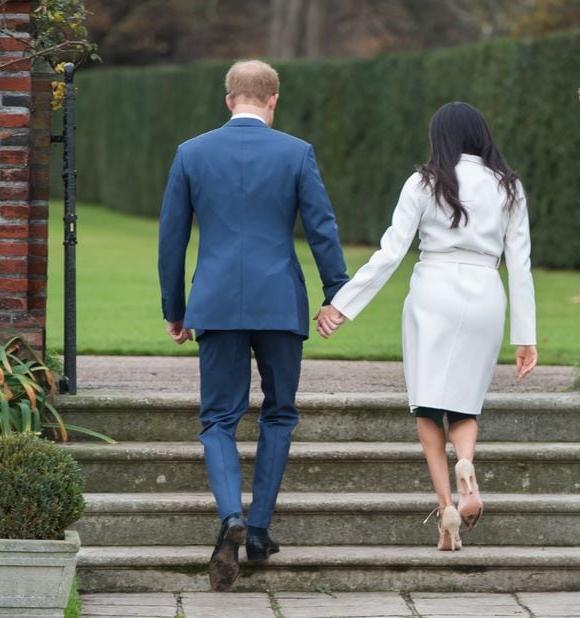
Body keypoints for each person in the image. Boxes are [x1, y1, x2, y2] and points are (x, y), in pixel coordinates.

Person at [158, 59, 349, 591]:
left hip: (215, 304)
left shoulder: (191, 153)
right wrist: (336, 293)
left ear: (228, 100)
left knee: (219, 419)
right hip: (280, 304)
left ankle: (230, 518)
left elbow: (172, 239)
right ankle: (259, 528)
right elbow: (322, 228)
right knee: (279, 414)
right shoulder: (296, 152)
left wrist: (175, 308)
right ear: (273, 100)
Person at [316, 101, 538, 551]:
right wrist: (526, 336)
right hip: (484, 292)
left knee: (427, 405)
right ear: (481, 135)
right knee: (465, 404)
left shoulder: (424, 181)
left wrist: (341, 305)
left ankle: (445, 507)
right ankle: (467, 467)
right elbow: (521, 265)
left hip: (433, 292)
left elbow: (390, 252)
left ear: (441, 137)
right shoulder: (509, 186)